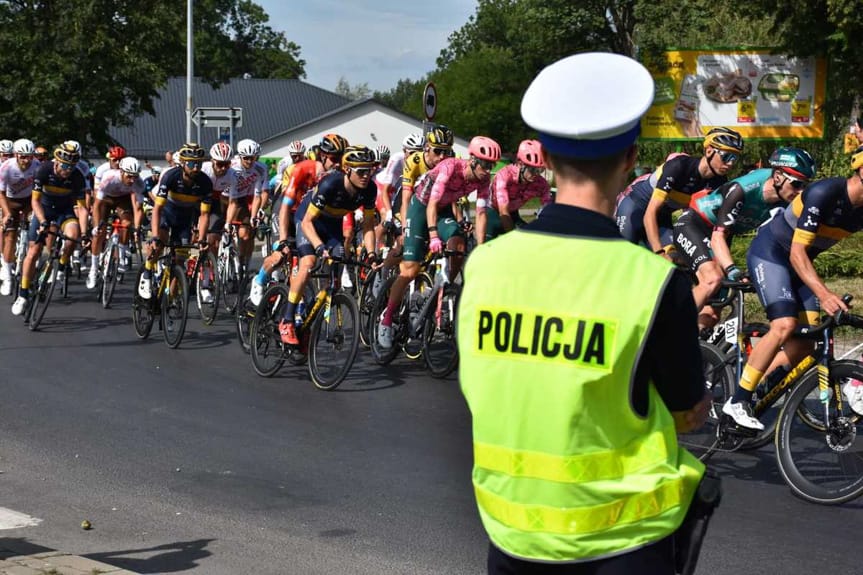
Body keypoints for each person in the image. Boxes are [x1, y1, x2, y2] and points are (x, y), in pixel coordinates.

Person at [457, 52, 711, 574]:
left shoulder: (484, 266)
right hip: (622, 541)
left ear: (544, 157)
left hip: (511, 535)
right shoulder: (653, 281)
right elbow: (688, 414)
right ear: (631, 159)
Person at [723, 145, 863, 429]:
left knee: (806, 343)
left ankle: (757, 393)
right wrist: (824, 294)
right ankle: (737, 400)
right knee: (784, 324)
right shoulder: (824, 193)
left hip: (800, 268)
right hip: (771, 254)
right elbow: (797, 252)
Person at [376, 134, 493, 349]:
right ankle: (387, 317)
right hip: (422, 207)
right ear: (473, 160)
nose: (488, 169)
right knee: (410, 270)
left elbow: (482, 212)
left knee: (459, 243)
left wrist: (482, 244)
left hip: (444, 210)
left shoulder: (484, 179)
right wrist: (433, 236)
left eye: (491, 165)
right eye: (485, 164)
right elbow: (431, 203)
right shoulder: (449, 167)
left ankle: (443, 285)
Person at [672, 147, 816, 319]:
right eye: (797, 184)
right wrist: (732, 269)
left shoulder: (786, 202)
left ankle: (698, 344)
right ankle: (670, 328)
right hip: (695, 225)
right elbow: (717, 237)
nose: (801, 192)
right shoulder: (744, 188)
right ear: (777, 177)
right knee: (712, 278)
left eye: (805, 186)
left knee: (712, 313)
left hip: (724, 236)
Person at [277, 145, 377, 345]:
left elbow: (367, 226)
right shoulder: (331, 184)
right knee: (308, 263)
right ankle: (287, 319)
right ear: (348, 170)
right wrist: (320, 247)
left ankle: (309, 319)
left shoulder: (370, 190)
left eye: (370, 170)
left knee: (334, 277)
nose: (367, 175)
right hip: (308, 221)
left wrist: (372, 254)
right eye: (361, 171)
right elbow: (306, 222)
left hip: (332, 226)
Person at [615, 127, 743, 254]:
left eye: (735, 158)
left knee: (675, 257)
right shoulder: (679, 166)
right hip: (635, 206)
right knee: (624, 254)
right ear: (709, 151)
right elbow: (650, 213)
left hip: (663, 217)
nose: (731, 163)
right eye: (726, 156)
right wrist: (659, 252)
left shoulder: (719, 182)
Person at [12, 142, 90, 315]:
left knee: (73, 235)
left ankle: (61, 268)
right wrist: (42, 221)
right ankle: (23, 295)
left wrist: (85, 234)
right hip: (44, 210)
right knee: (33, 252)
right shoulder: (44, 170)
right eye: (64, 165)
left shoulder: (77, 177)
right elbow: (35, 201)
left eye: (71, 166)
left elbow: (83, 208)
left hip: (65, 211)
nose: (67, 170)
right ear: (56, 161)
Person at [137, 143, 212, 300]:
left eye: (199, 164)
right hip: (166, 212)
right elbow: (157, 209)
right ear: (183, 164)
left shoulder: (205, 183)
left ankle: (169, 300)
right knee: (160, 242)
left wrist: (203, 238)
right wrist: (155, 236)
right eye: (192, 164)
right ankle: (147, 272)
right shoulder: (171, 176)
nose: (196, 168)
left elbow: (204, 215)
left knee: (180, 260)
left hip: (185, 218)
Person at [87, 156, 145, 288]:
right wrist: (96, 226)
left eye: (135, 177)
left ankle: (122, 253)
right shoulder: (109, 178)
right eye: (129, 176)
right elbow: (96, 204)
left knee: (127, 224)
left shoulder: (138, 183)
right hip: (106, 200)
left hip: (122, 200)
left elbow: (138, 208)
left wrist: (136, 227)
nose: (132, 180)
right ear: (122, 172)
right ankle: (94, 269)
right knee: (99, 233)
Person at [485, 139, 552, 241]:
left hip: (513, 214)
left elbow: (549, 212)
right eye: (532, 169)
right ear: (521, 164)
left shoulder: (541, 184)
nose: (536, 174)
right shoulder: (504, 176)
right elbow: (503, 212)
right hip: (492, 213)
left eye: (540, 170)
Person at [0, 139, 39, 296]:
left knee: (35, 238)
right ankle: (8, 276)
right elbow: (1, 194)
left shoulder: (37, 166)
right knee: (10, 236)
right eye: (22, 157)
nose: (26, 160)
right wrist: (7, 213)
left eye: (29, 156)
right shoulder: (6, 167)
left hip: (30, 200)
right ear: (15, 155)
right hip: (11, 201)